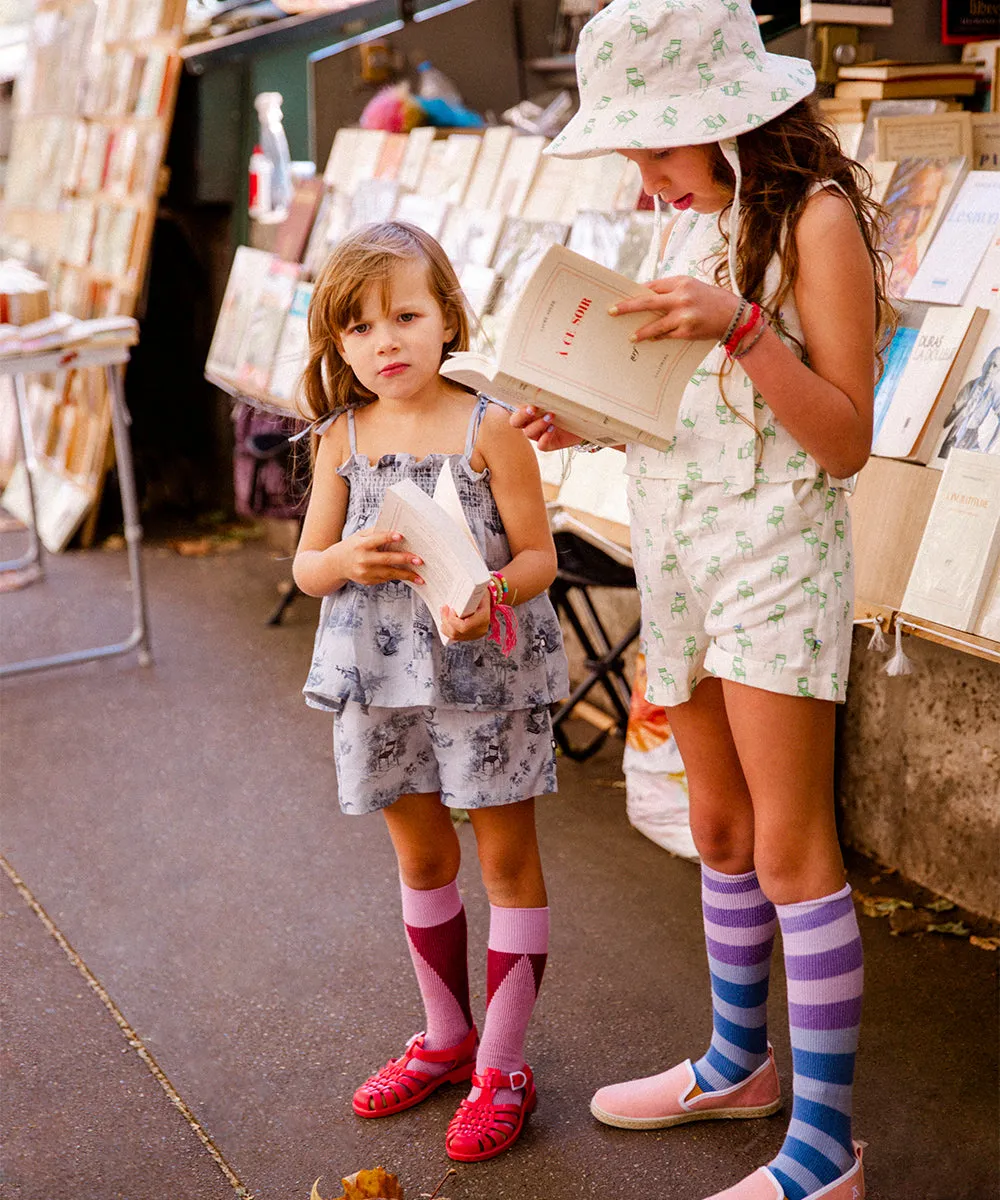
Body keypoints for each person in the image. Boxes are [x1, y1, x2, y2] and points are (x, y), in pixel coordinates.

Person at [513, 3, 893, 1199]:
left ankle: (824, 1152)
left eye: (654, 144)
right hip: (680, 560)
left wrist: (740, 329)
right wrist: (582, 411)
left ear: (729, 118)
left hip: (777, 561)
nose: (643, 171)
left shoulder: (815, 223)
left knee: (791, 850)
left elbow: (842, 442)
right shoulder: (704, 219)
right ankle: (737, 1063)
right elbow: (695, 408)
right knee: (718, 834)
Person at [292, 221, 569, 1162]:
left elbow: (540, 557)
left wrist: (491, 588)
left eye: (406, 315)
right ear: (339, 345)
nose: (386, 341)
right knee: (420, 860)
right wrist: (341, 556)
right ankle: (447, 1040)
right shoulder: (341, 437)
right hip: (380, 683)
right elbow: (305, 569)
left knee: (506, 862)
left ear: (448, 316)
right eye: (360, 328)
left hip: (486, 677)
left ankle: (502, 1066)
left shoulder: (489, 425)